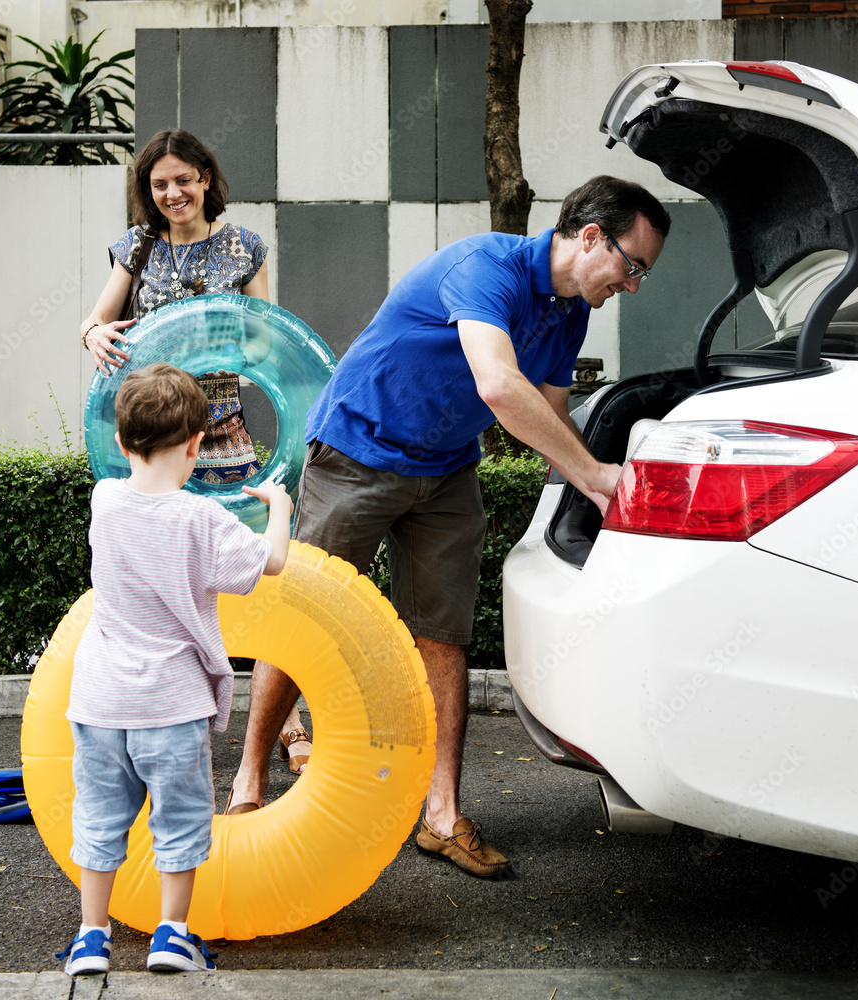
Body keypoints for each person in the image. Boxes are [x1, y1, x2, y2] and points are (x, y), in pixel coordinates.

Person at [226, 175, 670, 879]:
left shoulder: (569, 312)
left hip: (445, 470)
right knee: (301, 618)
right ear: (590, 236)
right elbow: (497, 386)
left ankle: (440, 816)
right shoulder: (485, 269)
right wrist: (594, 476)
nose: (634, 284)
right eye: (632, 264)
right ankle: (248, 787)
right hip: (357, 451)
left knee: (442, 635)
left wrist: (597, 474)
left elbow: (547, 416)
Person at [78, 128, 312, 772]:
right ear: (147, 193)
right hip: (153, 438)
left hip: (220, 433)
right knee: (157, 573)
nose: (173, 193)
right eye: (159, 184)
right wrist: (94, 333)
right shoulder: (137, 246)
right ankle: (160, 706)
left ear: (206, 178)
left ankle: (284, 722)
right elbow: (95, 319)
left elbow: (270, 336)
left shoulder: (244, 245)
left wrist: (225, 338)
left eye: (184, 179)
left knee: (248, 581)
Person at [56, 363, 292, 976]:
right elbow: (270, 563)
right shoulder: (202, 522)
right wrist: (280, 505)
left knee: (101, 818)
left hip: (101, 702)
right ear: (196, 445)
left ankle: (90, 937)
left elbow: (133, 496)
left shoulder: (104, 501)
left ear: (120, 443)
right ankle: (173, 936)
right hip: (172, 703)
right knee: (180, 819)